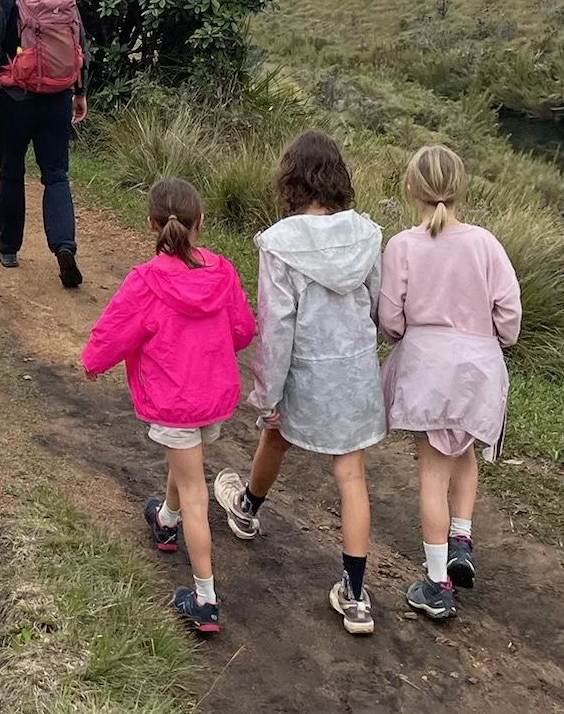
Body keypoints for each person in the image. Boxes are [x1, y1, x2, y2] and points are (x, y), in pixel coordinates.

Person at [213, 131, 385, 637]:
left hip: (305, 370)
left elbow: (278, 326)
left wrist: (267, 393)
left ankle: (247, 509)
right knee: (351, 474)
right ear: (337, 177)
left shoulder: (280, 243)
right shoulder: (366, 235)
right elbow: (376, 306)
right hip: (353, 372)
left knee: (275, 434)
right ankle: (355, 596)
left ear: (290, 179)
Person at [82, 178, 256, 637]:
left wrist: (93, 361)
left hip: (173, 401)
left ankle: (205, 599)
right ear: (201, 222)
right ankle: (165, 519)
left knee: (195, 489)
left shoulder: (146, 280)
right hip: (212, 399)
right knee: (187, 468)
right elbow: (242, 330)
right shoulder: (223, 272)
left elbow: (115, 329)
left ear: (151, 225)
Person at [378, 145, 522, 622]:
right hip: (479, 369)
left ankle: (437, 584)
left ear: (410, 189)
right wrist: (489, 338)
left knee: (432, 471)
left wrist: (410, 335)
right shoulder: (486, 243)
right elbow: (510, 315)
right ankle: (462, 539)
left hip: (427, 369)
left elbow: (390, 319)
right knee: (464, 453)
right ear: (461, 189)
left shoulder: (402, 245)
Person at [0, 0, 87, 287]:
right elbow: (80, 46)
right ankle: (64, 246)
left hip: (17, 99)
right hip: (58, 98)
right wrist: (79, 92)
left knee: (11, 172)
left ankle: (8, 249)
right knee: (56, 175)